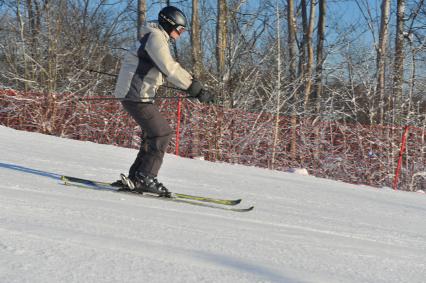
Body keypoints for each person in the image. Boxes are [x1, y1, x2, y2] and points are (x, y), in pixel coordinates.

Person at [113, 6, 213, 196]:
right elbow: (170, 68)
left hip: (136, 94)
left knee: (153, 135)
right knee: (162, 134)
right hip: (136, 95)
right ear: (168, 24)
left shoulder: (154, 37)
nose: (180, 34)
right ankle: (146, 177)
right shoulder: (156, 38)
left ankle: (136, 177)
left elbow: (161, 68)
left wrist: (192, 84)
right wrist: (196, 89)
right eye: (179, 29)